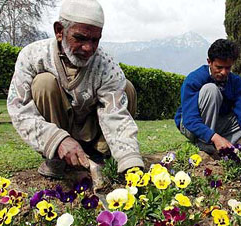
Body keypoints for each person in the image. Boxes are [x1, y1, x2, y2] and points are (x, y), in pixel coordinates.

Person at [7, 0, 144, 186]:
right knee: (43, 83)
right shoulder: (32, 56)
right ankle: (58, 160)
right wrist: (57, 140)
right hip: (58, 135)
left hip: (93, 134)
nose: (88, 48)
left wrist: (130, 162)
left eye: (95, 40)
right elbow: (19, 108)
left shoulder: (106, 65)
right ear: (59, 31)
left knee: (126, 87)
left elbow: (116, 115)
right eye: (80, 38)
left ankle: (101, 157)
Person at [174, 39, 241, 155]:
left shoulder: (235, 82)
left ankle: (223, 143)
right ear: (209, 62)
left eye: (228, 68)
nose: (224, 72)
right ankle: (205, 142)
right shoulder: (194, 79)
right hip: (191, 126)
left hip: (218, 124)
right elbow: (190, 119)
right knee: (211, 89)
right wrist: (213, 136)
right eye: (219, 67)